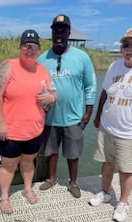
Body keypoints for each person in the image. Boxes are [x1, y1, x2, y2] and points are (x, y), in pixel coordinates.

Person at [0, 29, 56, 214]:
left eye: (34, 46)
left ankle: (28, 189)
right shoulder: (8, 66)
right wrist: (1, 122)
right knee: (8, 165)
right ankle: (4, 197)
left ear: (39, 49)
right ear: (20, 47)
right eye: (26, 45)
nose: (30, 49)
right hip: (10, 131)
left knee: (29, 162)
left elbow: (53, 92)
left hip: (35, 130)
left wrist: (52, 98)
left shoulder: (43, 70)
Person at [89, 28, 132, 222]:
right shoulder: (114, 66)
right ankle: (104, 192)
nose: (129, 49)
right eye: (125, 45)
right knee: (107, 163)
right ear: (121, 48)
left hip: (131, 132)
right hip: (107, 127)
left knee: (126, 170)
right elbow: (105, 93)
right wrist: (97, 117)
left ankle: (123, 203)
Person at [38, 14, 97, 198]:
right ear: (52, 32)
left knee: (73, 153)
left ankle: (73, 182)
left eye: (63, 31)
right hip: (50, 117)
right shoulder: (41, 59)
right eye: (56, 30)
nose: (59, 34)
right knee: (50, 151)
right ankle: (51, 179)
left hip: (74, 117)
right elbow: (35, 87)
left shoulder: (82, 57)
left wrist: (88, 112)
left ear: (69, 33)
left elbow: (91, 86)